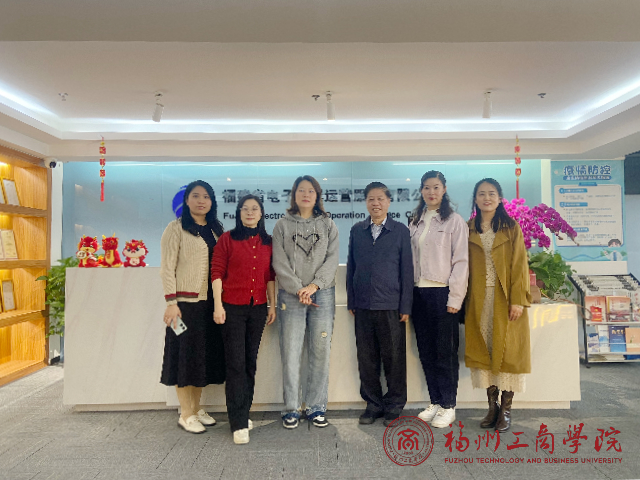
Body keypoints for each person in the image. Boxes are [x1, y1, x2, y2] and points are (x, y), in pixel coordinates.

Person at [272, 175, 339, 429]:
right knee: (290, 351)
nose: (306, 194)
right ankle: (291, 408)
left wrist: (313, 286)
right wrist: (299, 288)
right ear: (294, 195)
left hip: (322, 293)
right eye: (301, 190)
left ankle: (316, 407)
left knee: (320, 351)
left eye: (311, 191)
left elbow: (332, 260)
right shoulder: (282, 225)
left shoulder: (328, 225)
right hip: (291, 295)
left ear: (317, 195)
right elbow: (279, 262)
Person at [465, 178, 531, 433]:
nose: (487, 198)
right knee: (485, 350)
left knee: (508, 353)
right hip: (479, 299)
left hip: (505, 300)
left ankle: (506, 410)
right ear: (475, 198)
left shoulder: (511, 227)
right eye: (481, 194)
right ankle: (491, 408)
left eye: (491, 193)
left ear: (500, 198)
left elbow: (520, 266)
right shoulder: (469, 228)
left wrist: (518, 300)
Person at [160, 180, 225, 434]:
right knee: (184, 358)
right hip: (184, 307)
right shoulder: (176, 228)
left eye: (206, 197)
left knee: (201, 359)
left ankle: (196, 409)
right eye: (196, 196)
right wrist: (171, 303)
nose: (201, 201)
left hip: (209, 305)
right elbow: (167, 268)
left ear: (212, 201)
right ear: (186, 200)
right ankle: (185, 413)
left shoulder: (216, 229)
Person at [346, 182, 413, 426]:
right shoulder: (357, 230)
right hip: (363, 306)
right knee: (367, 359)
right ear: (366, 202)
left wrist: (405, 306)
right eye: (371, 199)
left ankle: (394, 406)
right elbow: (351, 267)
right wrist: (352, 300)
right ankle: (373, 405)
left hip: (391, 306)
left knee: (394, 359)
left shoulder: (400, 231)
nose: (376, 203)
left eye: (380, 199)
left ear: (388, 202)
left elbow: (407, 270)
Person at [211, 194, 276, 445]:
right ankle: (238, 422)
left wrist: (271, 305)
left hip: (257, 309)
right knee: (236, 364)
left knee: (250, 363)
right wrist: (218, 305)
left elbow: (270, 276)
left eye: (255, 209)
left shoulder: (267, 242)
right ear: (239, 213)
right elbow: (217, 273)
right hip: (231, 309)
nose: (250, 212)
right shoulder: (227, 239)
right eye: (245, 209)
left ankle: (243, 412)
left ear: (261, 213)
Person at [409, 171, 469, 428]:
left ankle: (448, 405)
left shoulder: (454, 221)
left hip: (442, 293)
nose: (431, 192)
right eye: (426, 187)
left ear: (444, 190)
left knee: (445, 352)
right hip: (418, 293)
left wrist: (455, 298)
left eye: (436, 187)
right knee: (426, 351)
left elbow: (461, 261)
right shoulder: (416, 221)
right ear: (421, 191)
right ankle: (435, 401)